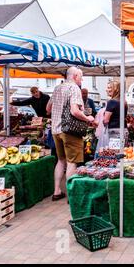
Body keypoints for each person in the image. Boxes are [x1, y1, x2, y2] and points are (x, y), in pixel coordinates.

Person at [46, 67, 94, 201]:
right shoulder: (74, 88)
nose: (82, 80)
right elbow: (74, 111)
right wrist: (87, 118)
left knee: (61, 161)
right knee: (72, 162)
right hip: (70, 131)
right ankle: (71, 195)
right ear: (74, 76)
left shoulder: (57, 88)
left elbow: (47, 108)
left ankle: (56, 191)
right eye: (81, 77)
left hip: (56, 130)